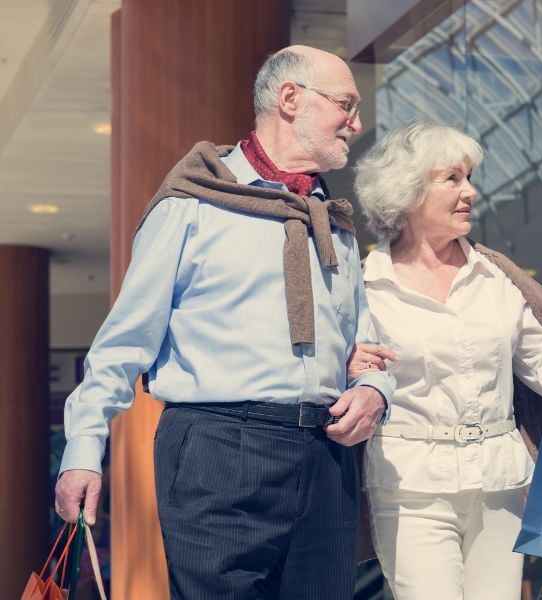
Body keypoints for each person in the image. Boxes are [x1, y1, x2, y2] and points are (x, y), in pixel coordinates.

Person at [53, 46, 394, 599]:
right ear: (290, 99)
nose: (356, 123)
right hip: (217, 450)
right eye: (346, 104)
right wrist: (83, 452)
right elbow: (122, 345)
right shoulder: (190, 207)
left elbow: (366, 341)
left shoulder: (335, 223)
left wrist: (376, 389)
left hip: (326, 458)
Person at [349, 120, 542, 599]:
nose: (471, 192)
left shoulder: (495, 276)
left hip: (502, 484)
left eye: (470, 177)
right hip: (409, 489)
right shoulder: (365, 287)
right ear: (408, 191)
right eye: (453, 179)